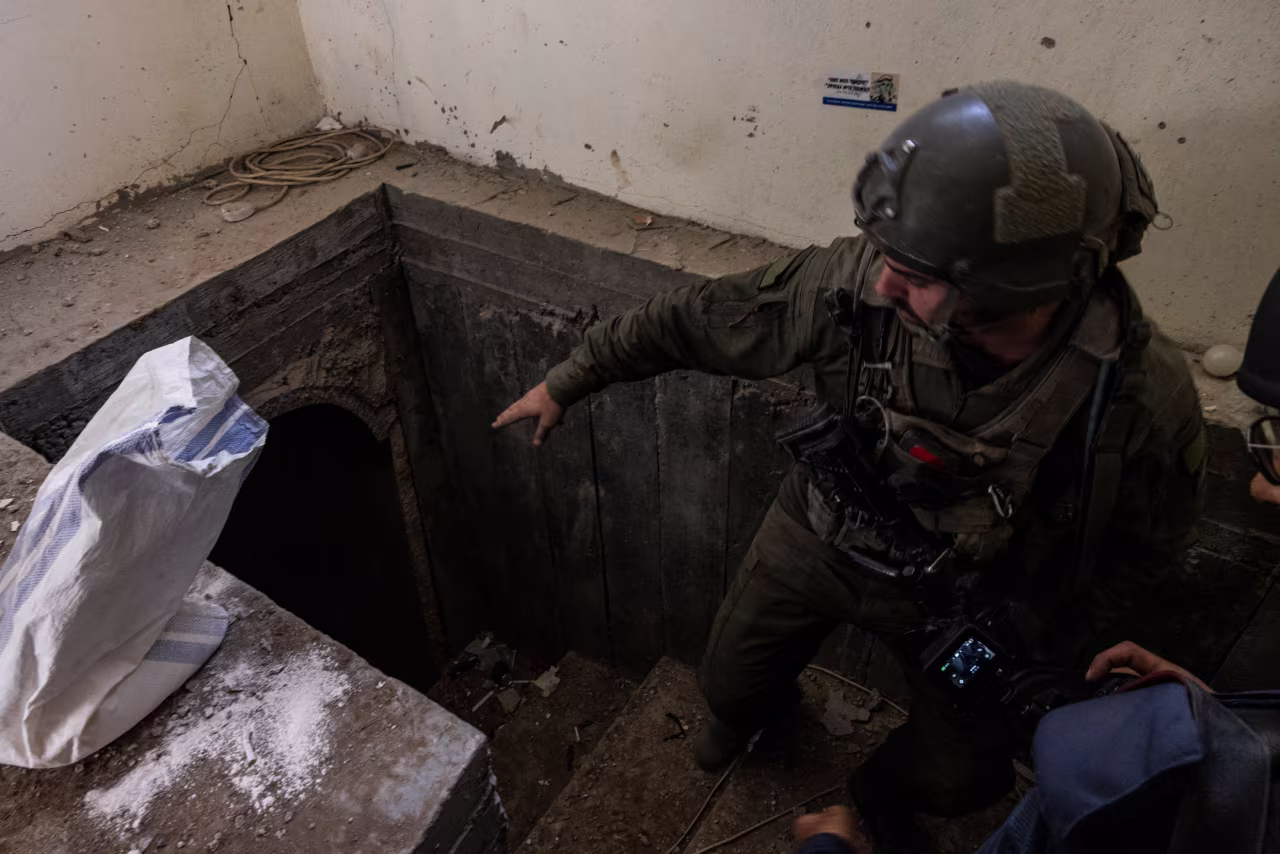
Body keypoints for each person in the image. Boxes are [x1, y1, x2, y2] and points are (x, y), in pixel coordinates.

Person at [493, 81, 1205, 850]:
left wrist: (1053, 644)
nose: (883, 281)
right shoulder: (859, 284)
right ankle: (755, 726)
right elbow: (698, 322)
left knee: (963, 778)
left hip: (970, 600)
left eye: (919, 275)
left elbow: (1146, 555)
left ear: (1019, 290)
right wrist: (567, 381)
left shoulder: (1138, 398)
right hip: (828, 528)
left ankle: (869, 805)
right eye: (888, 256)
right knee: (728, 685)